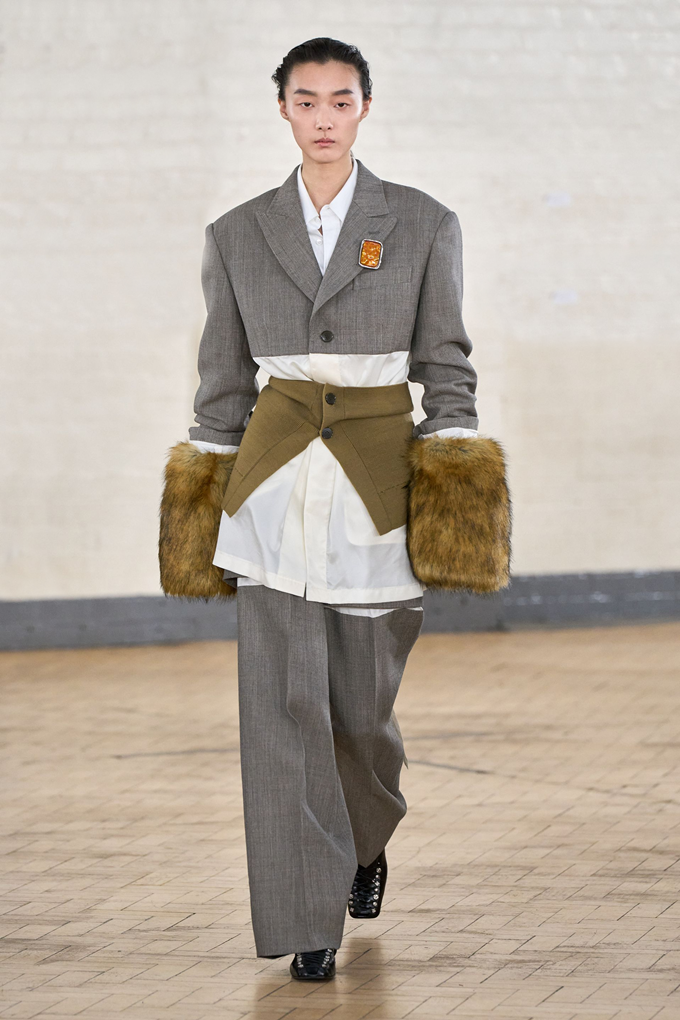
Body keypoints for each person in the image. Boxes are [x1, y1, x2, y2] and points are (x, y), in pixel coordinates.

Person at [159, 37, 510, 981]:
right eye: (306, 100)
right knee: (281, 716)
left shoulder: (424, 223)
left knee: (360, 719)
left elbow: (447, 366)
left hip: (377, 497)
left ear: (364, 108)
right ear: (283, 108)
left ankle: (365, 836)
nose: (323, 117)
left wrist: (454, 490)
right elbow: (221, 382)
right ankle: (306, 918)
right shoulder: (238, 233)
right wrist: (199, 506)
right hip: (270, 497)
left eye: (340, 100)